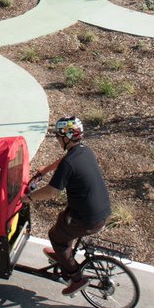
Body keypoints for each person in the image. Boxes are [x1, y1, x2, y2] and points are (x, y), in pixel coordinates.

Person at [25, 116, 111, 296]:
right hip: (101, 211)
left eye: (58, 136)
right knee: (63, 220)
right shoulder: (84, 151)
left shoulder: (68, 164)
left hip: (87, 219)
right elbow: (63, 161)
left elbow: (51, 191)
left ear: (67, 137)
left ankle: (76, 278)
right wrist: (45, 170)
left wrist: (29, 198)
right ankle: (65, 257)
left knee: (55, 236)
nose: (57, 139)